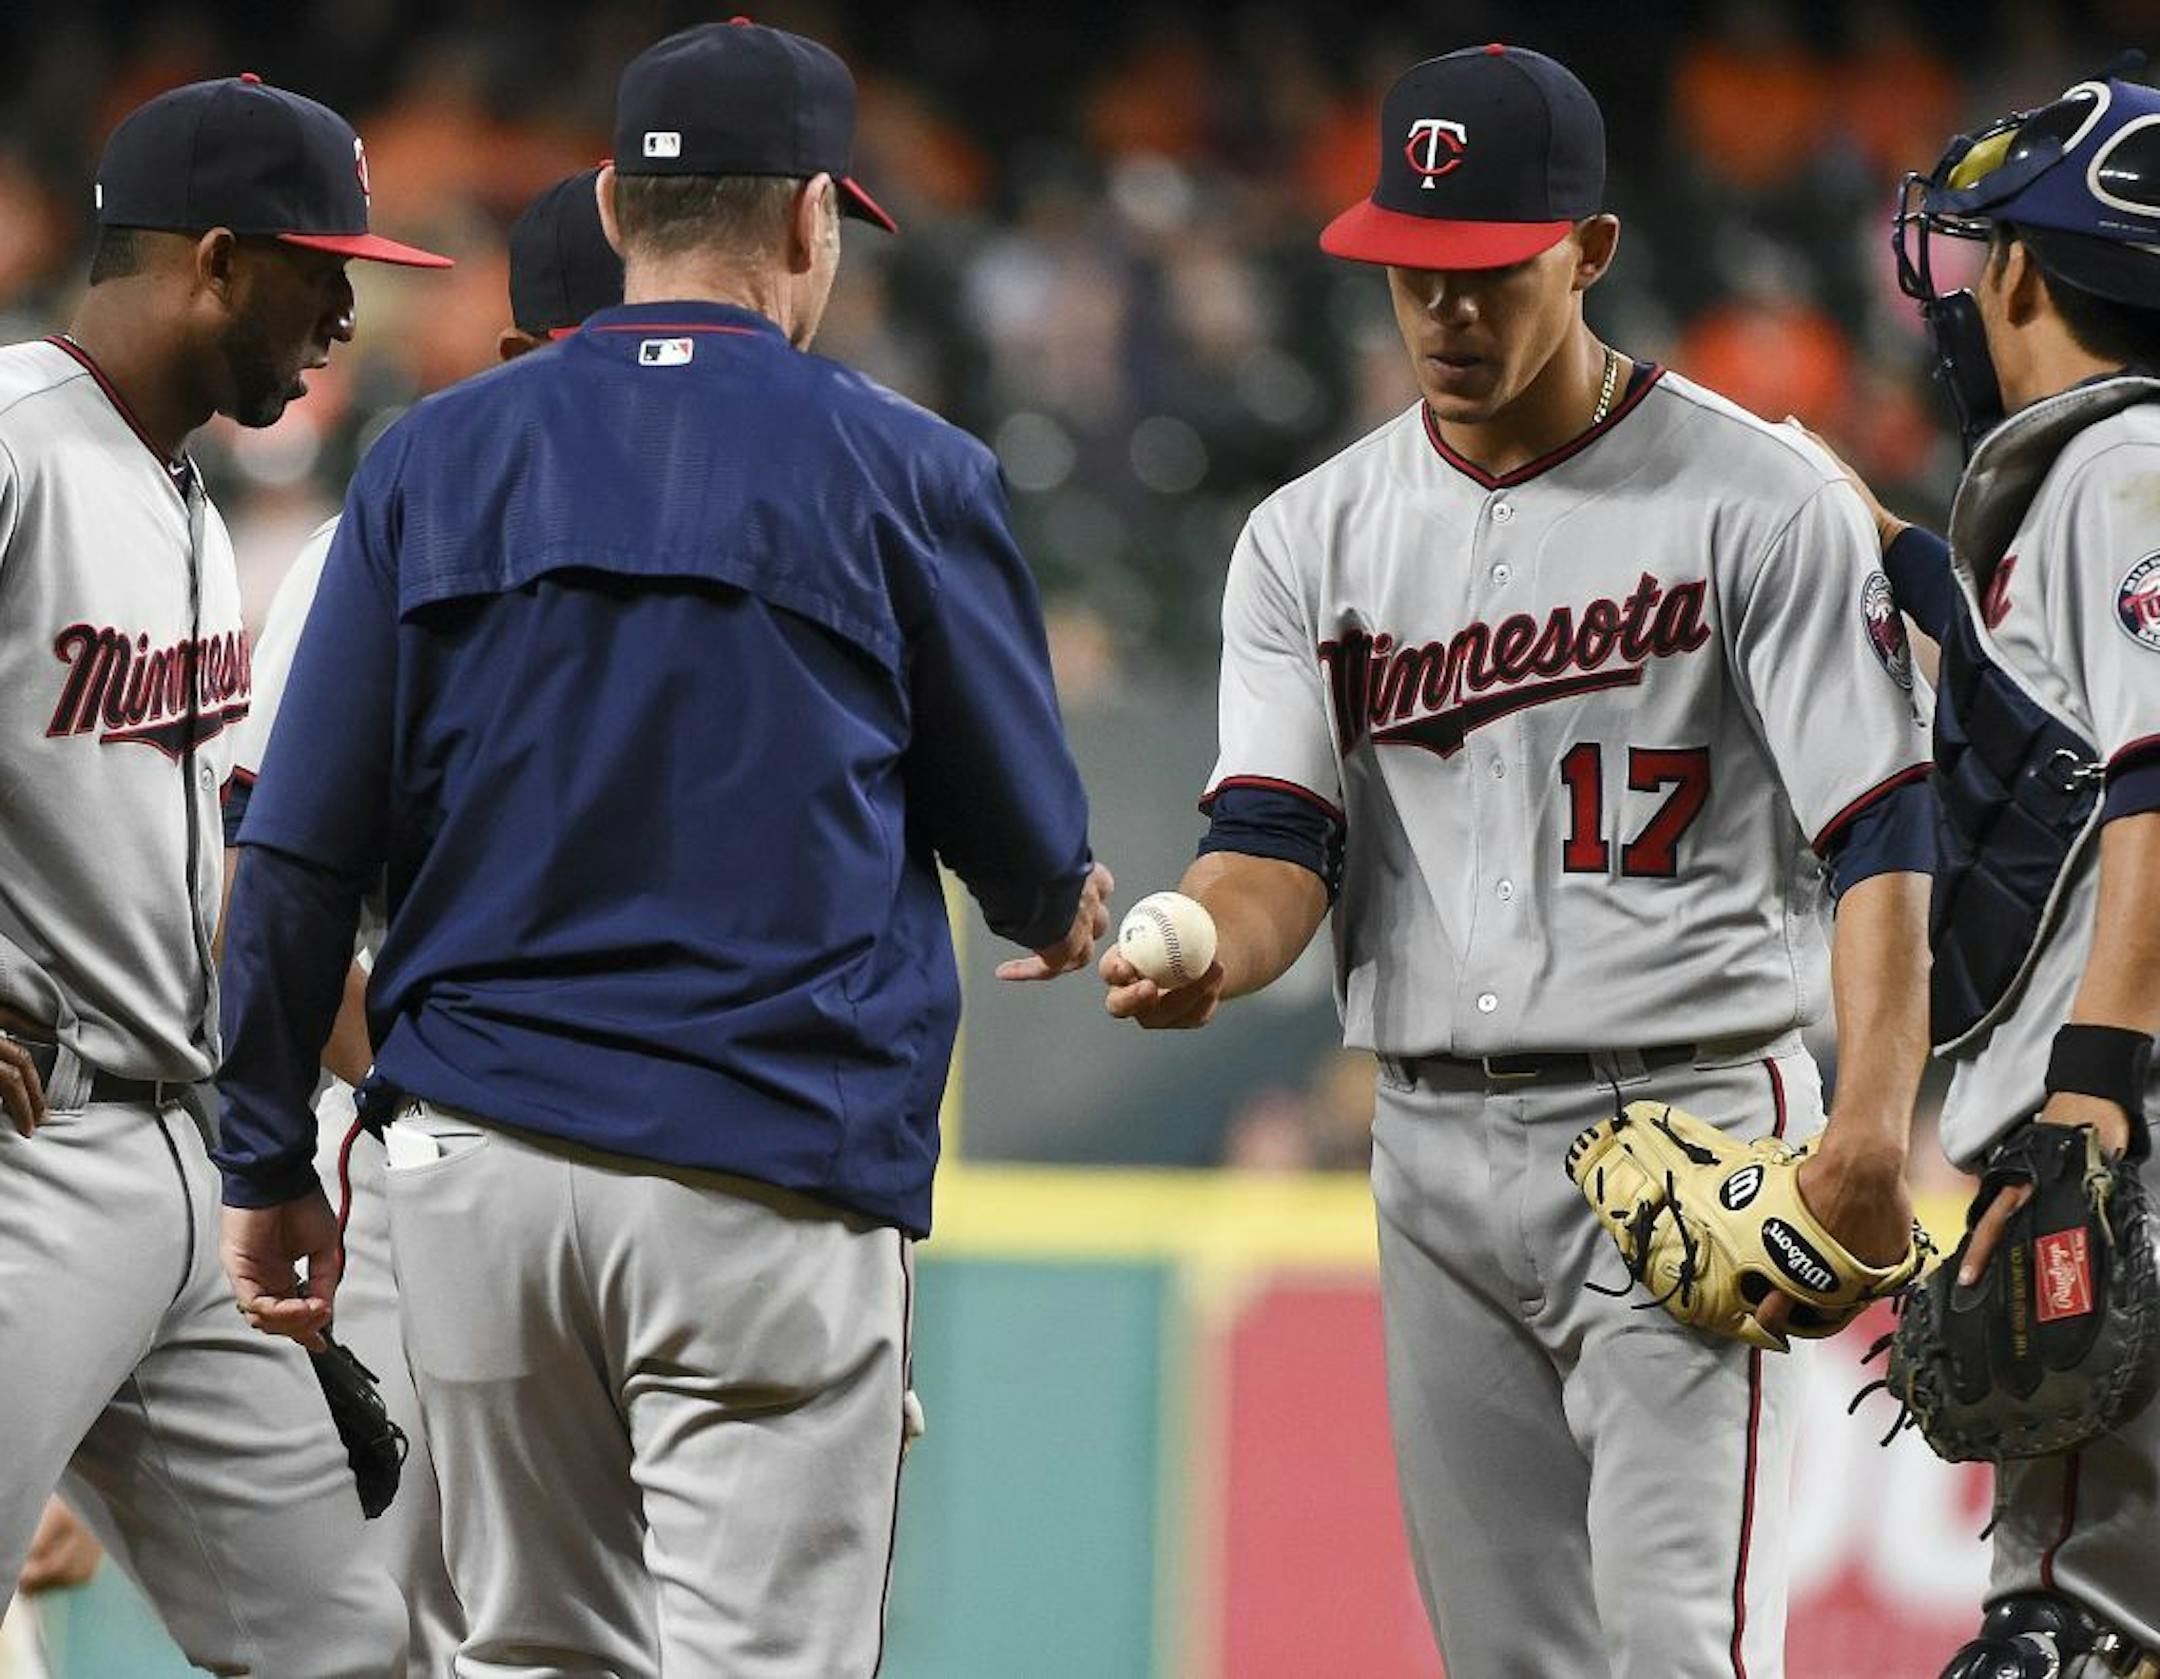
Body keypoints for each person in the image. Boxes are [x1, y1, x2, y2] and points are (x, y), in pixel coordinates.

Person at [214, 20, 1106, 1676]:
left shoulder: (427, 461)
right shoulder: (909, 468)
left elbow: (294, 859)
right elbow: (1031, 852)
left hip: (476, 1175)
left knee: (529, 1657)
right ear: (814, 220)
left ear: (618, 205)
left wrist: (264, 1157)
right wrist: (1062, 903)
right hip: (762, 1164)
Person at [1102, 44, 1935, 1676]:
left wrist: (1874, 1123)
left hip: (1687, 1120)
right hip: (1427, 1139)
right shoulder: (1310, 535)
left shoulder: (1760, 498)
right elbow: (1272, 844)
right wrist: (1199, 942)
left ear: (1591, 249)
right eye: (1414, 268)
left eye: (1488, 268)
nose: (1446, 310)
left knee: (1683, 1652)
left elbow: (1881, 823)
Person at [0, 73, 448, 1675]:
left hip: (186, 1160)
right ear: (213, 259)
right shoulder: (16, 441)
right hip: (28, 1143)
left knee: (360, 1640)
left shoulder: (179, 489)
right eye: (319, 270)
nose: (345, 315)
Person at [217, 163, 624, 1676]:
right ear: (523, 360)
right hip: (436, 1148)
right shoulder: (384, 537)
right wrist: (419, 1080)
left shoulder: (794, 530)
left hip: (694, 1165)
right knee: (399, 1624)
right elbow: (262, 883)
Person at [1811, 71, 2160, 1679]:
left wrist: (2092, 1089)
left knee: (2069, 1634)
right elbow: (2054, 742)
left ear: (2024, 270)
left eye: (1981, 249)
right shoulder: (2106, 480)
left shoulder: (2124, 468)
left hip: (2128, 1120)